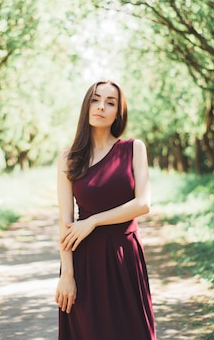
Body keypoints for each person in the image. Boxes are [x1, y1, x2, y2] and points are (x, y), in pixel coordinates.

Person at [55, 80, 157, 340]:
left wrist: (93, 221)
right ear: (86, 106)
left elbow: (143, 203)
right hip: (85, 261)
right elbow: (65, 221)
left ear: (118, 113)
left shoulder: (134, 148)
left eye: (110, 102)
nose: (101, 107)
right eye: (95, 99)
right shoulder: (68, 158)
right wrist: (67, 274)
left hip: (125, 257)